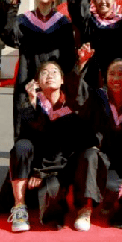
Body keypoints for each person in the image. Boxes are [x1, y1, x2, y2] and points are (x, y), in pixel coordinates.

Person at [7, 61, 92, 232]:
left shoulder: (71, 105)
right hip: (35, 168)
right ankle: (19, 206)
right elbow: (28, 140)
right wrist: (31, 103)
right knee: (21, 145)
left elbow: (72, 147)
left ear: (62, 80)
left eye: (55, 72)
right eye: (44, 72)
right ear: (37, 81)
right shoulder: (29, 103)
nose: (50, 75)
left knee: (50, 210)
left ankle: (78, 205)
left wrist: (43, 172)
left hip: (62, 167)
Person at [71, 47, 122, 231]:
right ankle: (85, 208)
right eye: (112, 74)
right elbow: (78, 98)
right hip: (100, 158)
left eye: (121, 74)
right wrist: (81, 65)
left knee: (112, 188)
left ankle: (111, 197)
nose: (116, 78)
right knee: (89, 154)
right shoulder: (98, 97)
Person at [0, 0, 76, 139]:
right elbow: (10, 37)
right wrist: (10, 9)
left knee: (55, 116)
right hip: (28, 75)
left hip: (53, 79)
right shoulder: (24, 20)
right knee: (24, 116)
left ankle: (55, 160)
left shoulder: (63, 23)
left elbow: (68, 55)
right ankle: (23, 158)